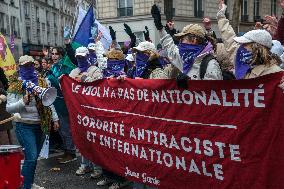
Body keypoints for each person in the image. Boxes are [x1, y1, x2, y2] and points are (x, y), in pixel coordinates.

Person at [6, 55, 59, 189]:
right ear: (20, 67)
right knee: (31, 156)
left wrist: (55, 119)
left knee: (33, 158)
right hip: (24, 125)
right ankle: (23, 185)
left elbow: (49, 102)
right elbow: (9, 108)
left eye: (31, 65)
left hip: (40, 124)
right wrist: (22, 102)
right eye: (25, 66)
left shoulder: (42, 82)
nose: (28, 68)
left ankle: (28, 182)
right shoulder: (15, 85)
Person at [151, 4, 223, 82]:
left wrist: (191, 84)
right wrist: (160, 28)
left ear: (194, 40)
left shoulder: (210, 64)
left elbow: (214, 92)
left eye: (183, 39)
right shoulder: (185, 59)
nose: (180, 43)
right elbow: (170, 47)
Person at [217, 0, 283, 79]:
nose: (241, 46)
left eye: (245, 44)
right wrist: (221, 16)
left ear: (256, 47)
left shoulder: (276, 73)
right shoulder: (240, 59)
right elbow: (229, 39)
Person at [46, 47, 77, 164]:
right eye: (52, 54)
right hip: (54, 102)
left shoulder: (66, 68)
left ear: (61, 55)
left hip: (64, 102)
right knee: (60, 130)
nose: (54, 56)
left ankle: (71, 152)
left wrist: (55, 80)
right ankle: (66, 150)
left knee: (66, 129)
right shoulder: (53, 67)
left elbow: (68, 85)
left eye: (56, 54)